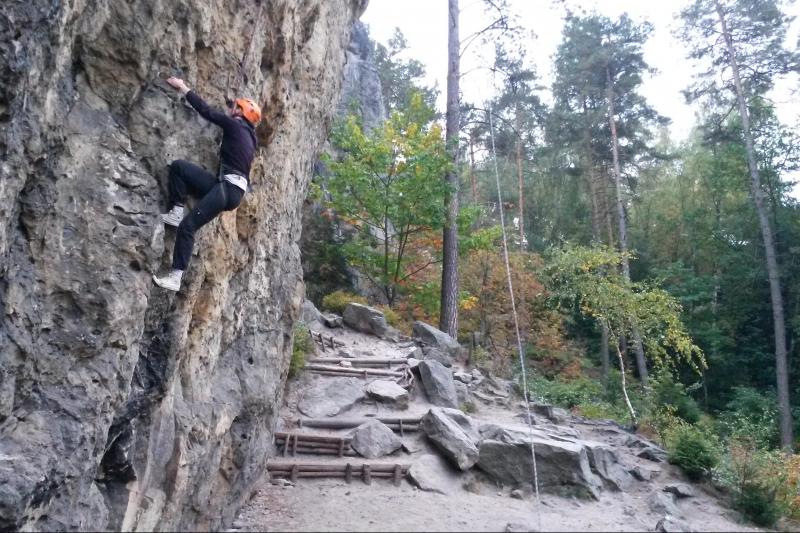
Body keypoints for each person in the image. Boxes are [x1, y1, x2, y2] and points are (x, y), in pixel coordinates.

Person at [153, 76, 261, 291]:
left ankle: (175, 278)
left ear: (241, 112)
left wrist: (184, 88)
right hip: (229, 188)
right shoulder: (249, 137)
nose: (233, 110)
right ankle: (175, 210)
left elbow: (207, 111)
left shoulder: (234, 125)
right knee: (179, 168)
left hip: (226, 189)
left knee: (188, 227)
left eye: (236, 107)